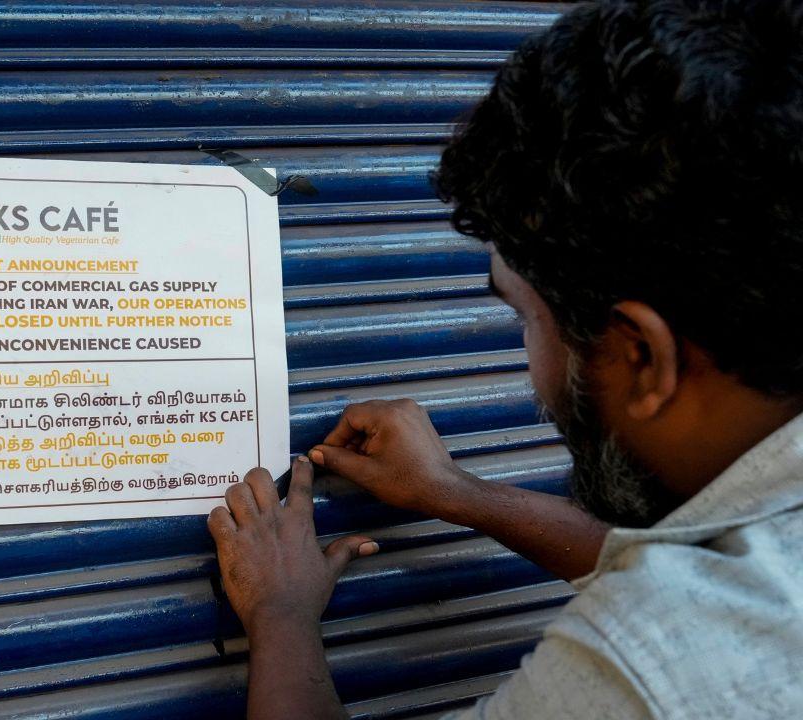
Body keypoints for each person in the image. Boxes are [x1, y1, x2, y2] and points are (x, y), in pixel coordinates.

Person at [206, 0, 803, 717]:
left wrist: (279, 616)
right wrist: (457, 494)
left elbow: (694, 621)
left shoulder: (657, 676)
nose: (531, 368)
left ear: (642, 357)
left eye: (526, 317)